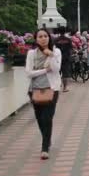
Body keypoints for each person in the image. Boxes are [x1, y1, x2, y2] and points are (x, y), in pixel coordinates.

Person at [26, 28, 62, 160]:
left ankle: (44, 147)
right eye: (40, 36)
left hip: (52, 88)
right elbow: (29, 72)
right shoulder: (31, 53)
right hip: (35, 89)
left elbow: (56, 69)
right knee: (40, 118)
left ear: (49, 37)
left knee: (47, 117)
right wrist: (44, 70)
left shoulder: (56, 51)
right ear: (36, 39)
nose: (43, 38)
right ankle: (47, 138)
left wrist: (50, 55)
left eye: (45, 36)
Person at [54, 27, 73, 93]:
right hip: (66, 58)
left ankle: (57, 86)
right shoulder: (68, 39)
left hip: (57, 58)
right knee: (65, 73)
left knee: (57, 72)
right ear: (65, 32)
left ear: (59, 32)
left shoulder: (56, 40)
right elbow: (71, 48)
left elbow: (54, 48)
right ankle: (65, 88)